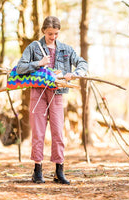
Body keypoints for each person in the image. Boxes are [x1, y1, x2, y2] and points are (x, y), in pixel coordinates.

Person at [16, 16, 88, 185]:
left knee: (58, 132)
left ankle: (59, 171)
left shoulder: (66, 49)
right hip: (38, 93)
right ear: (43, 31)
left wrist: (75, 73)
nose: (53, 37)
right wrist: (38, 63)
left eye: (56, 33)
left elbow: (82, 63)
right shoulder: (34, 47)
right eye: (50, 33)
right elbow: (20, 67)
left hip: (57, 93)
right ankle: (37, 170)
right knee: (38, 132)